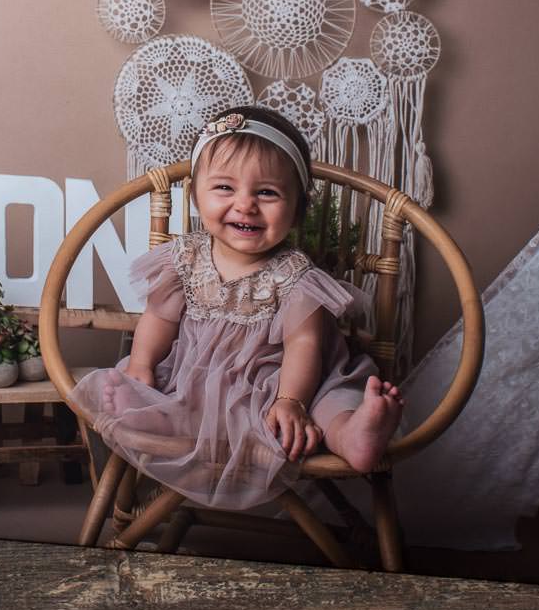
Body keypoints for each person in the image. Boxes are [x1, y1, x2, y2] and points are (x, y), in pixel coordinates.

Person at [68, 105, 404, 511]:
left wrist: (291, 401)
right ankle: (159, 416)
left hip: (291, 383)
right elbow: (158, 318)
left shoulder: (296, 275)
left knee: (330, 402)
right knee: (167, 394)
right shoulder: (184, 259)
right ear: (195, 195)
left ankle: (353, 434)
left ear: (298, 208)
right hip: (200, 379)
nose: (245, 205)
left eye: (267, 193)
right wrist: (141, 365)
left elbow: (305, 347)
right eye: (225, 188)